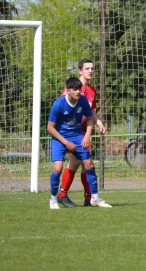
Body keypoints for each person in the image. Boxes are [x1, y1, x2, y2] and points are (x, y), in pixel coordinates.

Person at [47, 77, 111, 209]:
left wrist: (86, 136)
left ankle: (94, 198)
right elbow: (50, 128)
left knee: (89, 165)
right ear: (68, 90)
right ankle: (53, 199)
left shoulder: (82, 101)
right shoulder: (58, 104)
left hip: (77, 136)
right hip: (60, 138)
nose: (78, 92)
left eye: (79, 89)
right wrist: (66, 142)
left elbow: (89, 119)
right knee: (57, 168)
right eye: (74, 89)